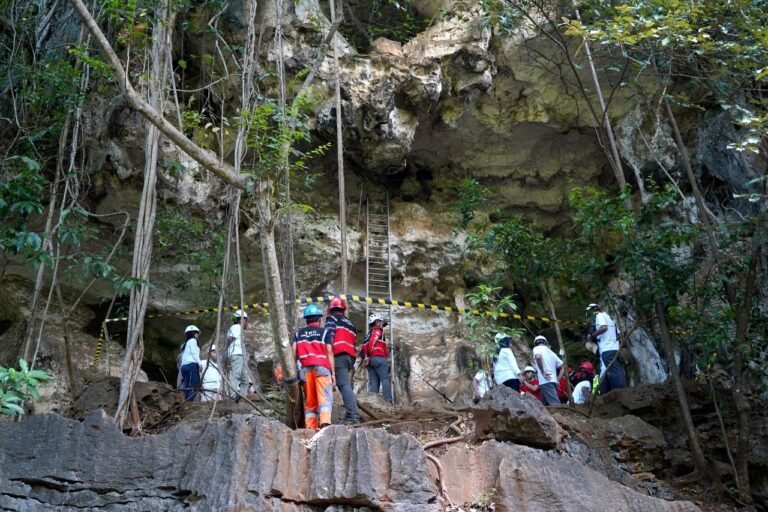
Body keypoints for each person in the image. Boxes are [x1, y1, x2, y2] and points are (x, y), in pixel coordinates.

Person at [292, 304, 335, 429]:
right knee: (325, 399)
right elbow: (329, 352)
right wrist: (333, 373)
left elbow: (293, 352)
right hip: (322, 368)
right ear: (319, 319)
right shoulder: (325, 332)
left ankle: (310, 428)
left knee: (310, 402)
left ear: (306, 320)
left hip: (305, 370)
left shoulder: (298, 334)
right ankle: (325, 423)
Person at [323, 297, 360, 424]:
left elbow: (328, 339)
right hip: (350, 358)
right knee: (346, 385)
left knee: (344, 386)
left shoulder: (331, 320)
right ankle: (352, 414)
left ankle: (353, 416)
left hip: (339, 356)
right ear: (343, 309)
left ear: (331, 309)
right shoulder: (351, 324)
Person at [586, 303, 627, 394]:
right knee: (606, 373)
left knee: (615, 372)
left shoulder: (599, 316)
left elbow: (604, 328)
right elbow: (619, 335)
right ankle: (607, 395)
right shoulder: (610, 318)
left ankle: (623, 393)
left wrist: (592, 336)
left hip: (607, 349)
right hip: (614, 348)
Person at [361, 313, 392, 402]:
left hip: (370, 361)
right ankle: (388, 400)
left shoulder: (368, 335)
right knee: (385, 379)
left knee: (374, 382)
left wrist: (367, 357)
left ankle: (373, 401)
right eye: (380, 322)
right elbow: (372, 343)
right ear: (377, 322)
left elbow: (364, 347)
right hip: (378, 357)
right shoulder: (377, 331)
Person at [532, 335, 564, 406]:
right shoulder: (552, 353)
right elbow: (563, 367)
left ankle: (561, 416)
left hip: (545, 381)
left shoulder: (536, 349)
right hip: (552, 381)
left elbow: (538, 357)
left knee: (556, 405)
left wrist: (543, 372)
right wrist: (557, 379)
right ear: (546, 342)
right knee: (544, 405)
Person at [226, 309, 250, 400]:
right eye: (245, 320)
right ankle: (232, 396)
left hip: (239, 355)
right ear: (241, 319)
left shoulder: (235, 328)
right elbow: (230, 338)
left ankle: (242, 397)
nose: (246, 322)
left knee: (245, 380)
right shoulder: (237, 327)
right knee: (235, 375)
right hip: (236, 354)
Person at [179, 325, 202, 401]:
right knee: (194, 385)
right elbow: (194, 353)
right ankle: (189, 402)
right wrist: (200, 363)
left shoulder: (184, 345)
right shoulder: (192, 341)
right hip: (191, 366)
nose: (198, 335)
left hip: (184, 367)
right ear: (194, 333)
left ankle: (185, 402)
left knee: (187, 386)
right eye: (197, 333)